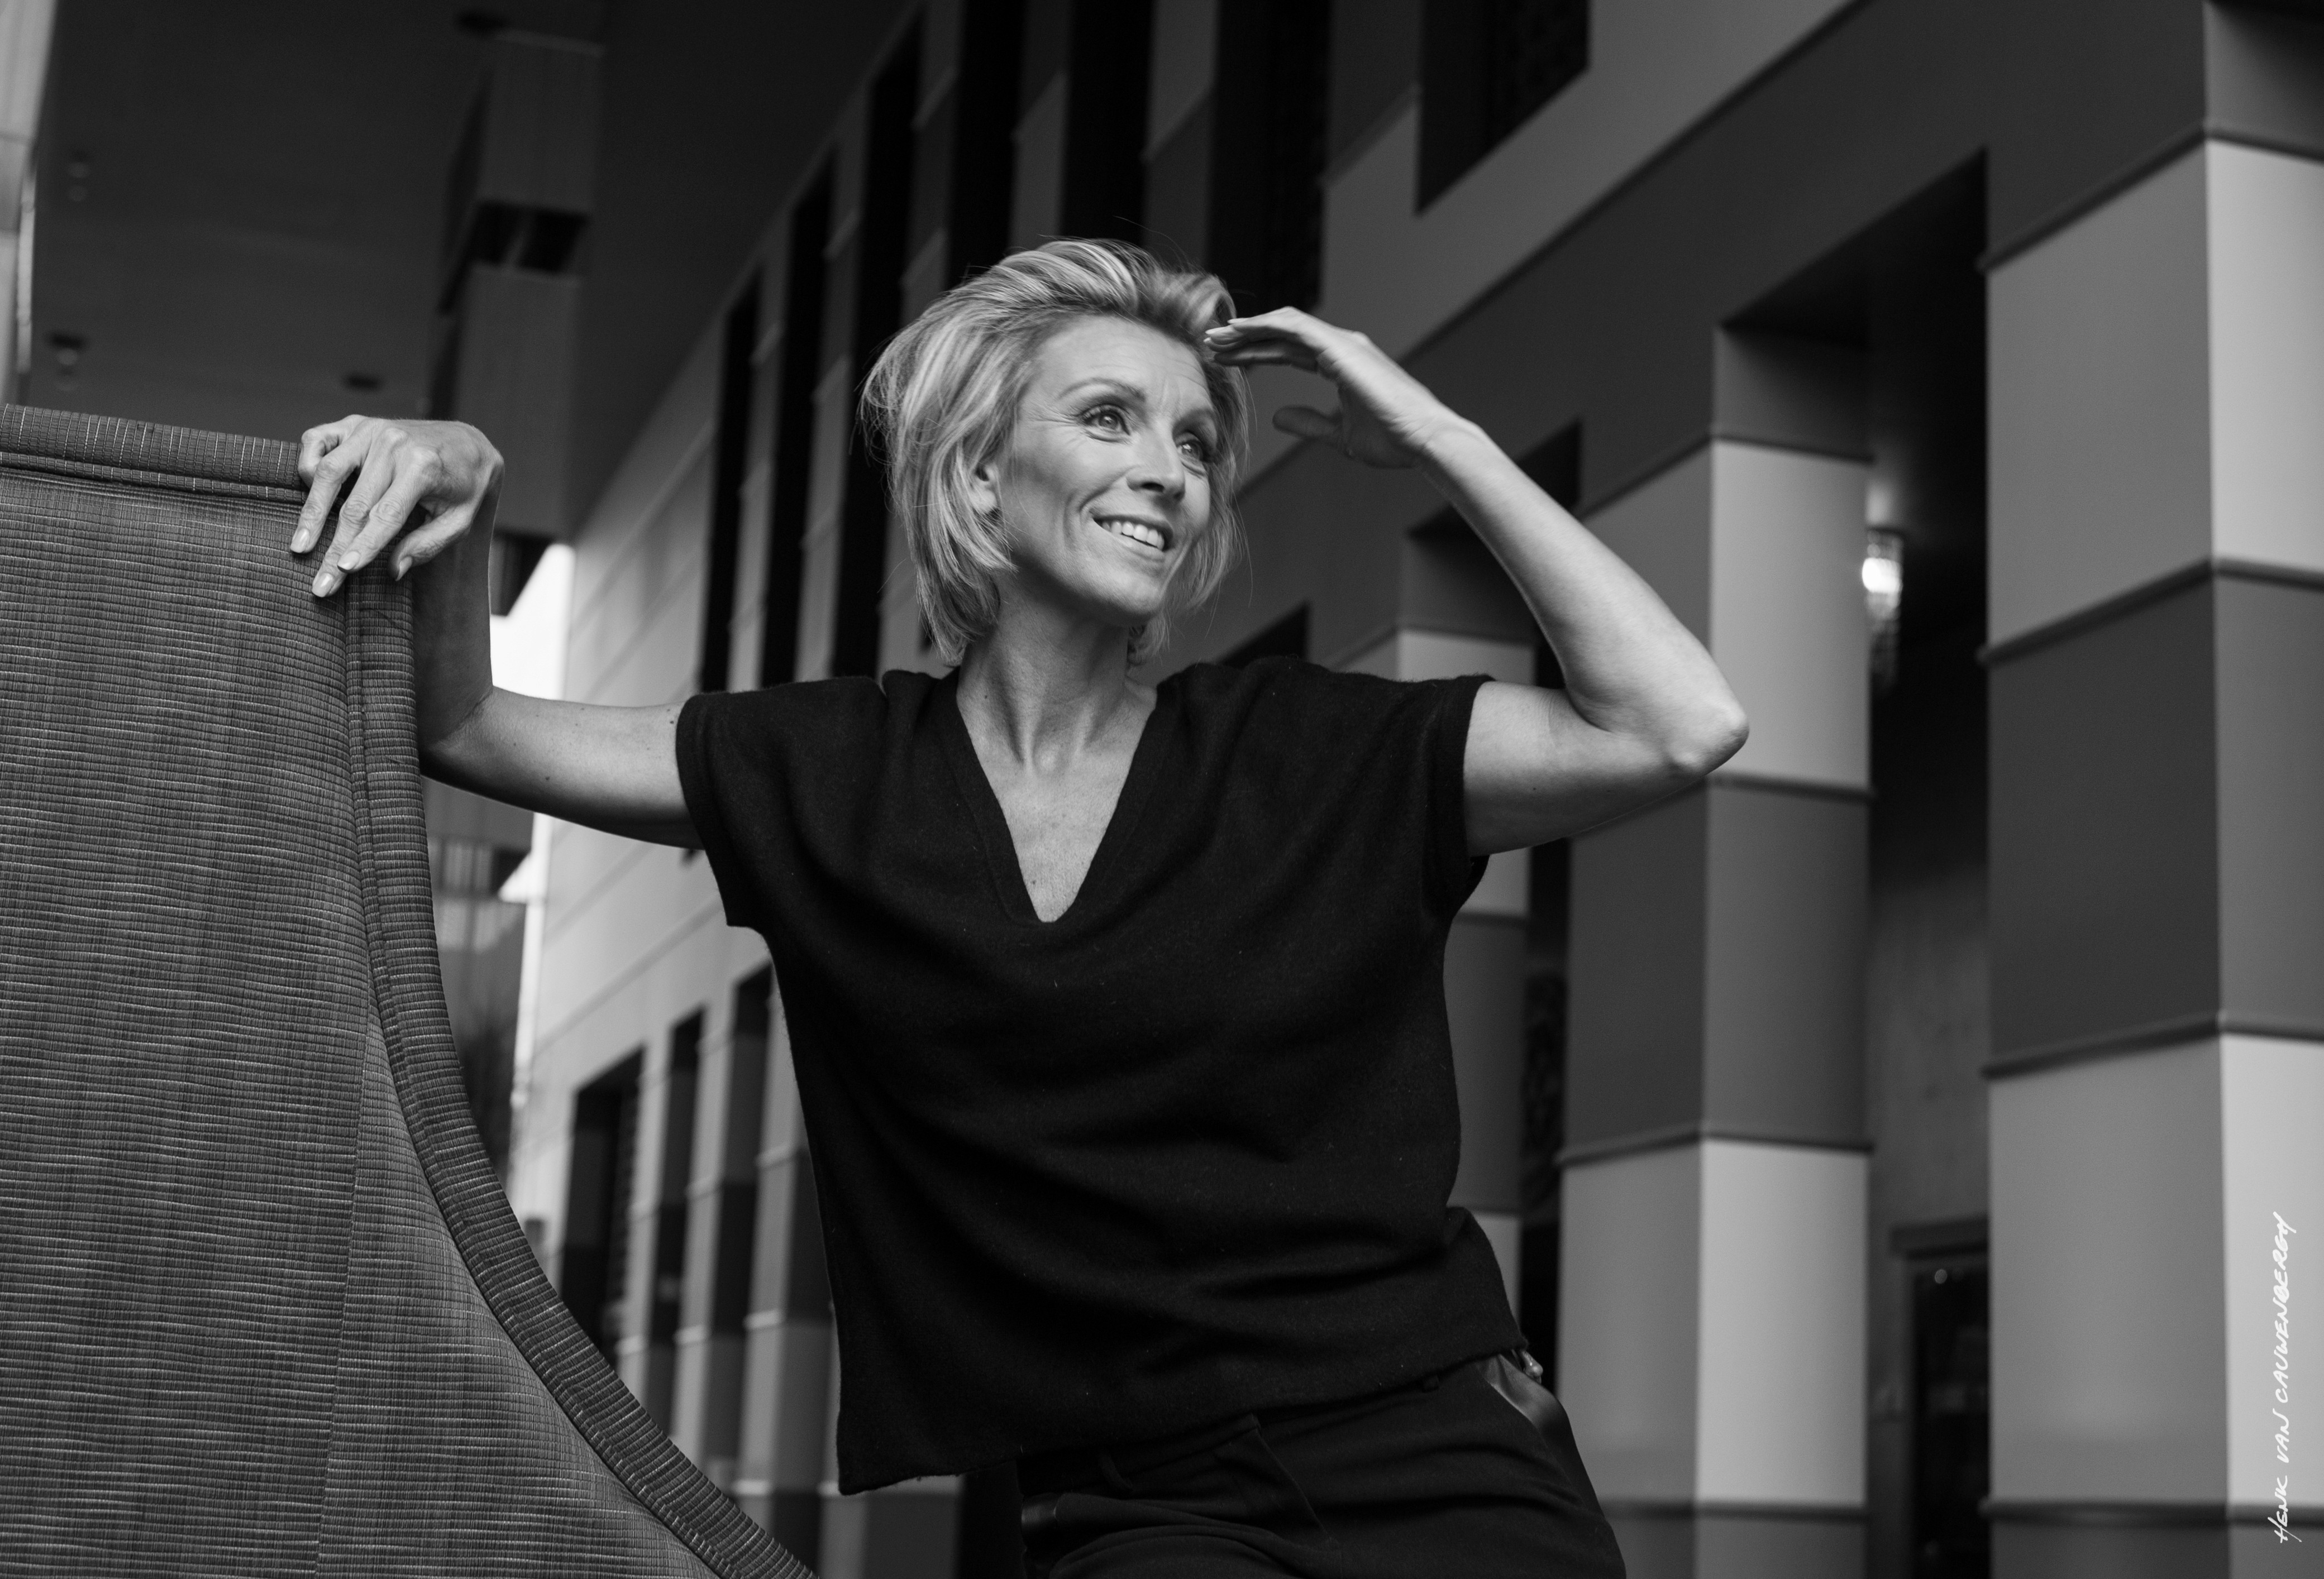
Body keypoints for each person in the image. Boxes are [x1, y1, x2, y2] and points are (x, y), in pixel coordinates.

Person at [292, 239, 1744, 1578]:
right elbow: (465, 727)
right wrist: (463, 474)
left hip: (1440, 1451)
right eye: (1111, 419)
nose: (1168, 471)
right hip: (1140, 1507)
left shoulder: (1312, 749)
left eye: (1195, 442)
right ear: (981, 479)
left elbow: (1673, 724)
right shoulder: (832, 771)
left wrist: (1437, 436)